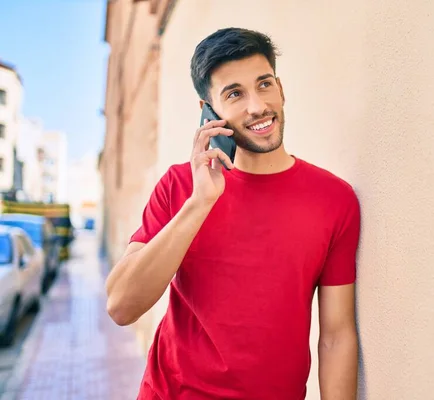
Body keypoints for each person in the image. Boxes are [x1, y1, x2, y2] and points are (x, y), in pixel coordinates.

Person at [105, 27, 361, 400]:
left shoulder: (334, 199)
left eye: (264, 84)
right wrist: (199, 203)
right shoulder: (180, 186)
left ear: (281, 89)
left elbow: (337, 336)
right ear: (208, 111)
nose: (257, 106)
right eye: (234, 94)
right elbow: (121, 305)